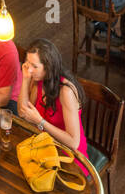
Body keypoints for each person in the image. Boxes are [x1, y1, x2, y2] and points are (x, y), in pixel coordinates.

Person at [18, 39, 89, 172]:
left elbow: (74, 142)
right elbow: (22, 113)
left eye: (34, 66)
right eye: (28, 64)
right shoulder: (37, 80)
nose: (30, 70)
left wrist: (40, 122)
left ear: (48, 67)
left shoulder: (66, 91)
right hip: (46, 146)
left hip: (69, 156)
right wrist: (26, 80)